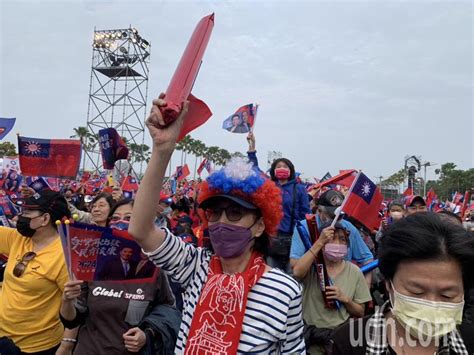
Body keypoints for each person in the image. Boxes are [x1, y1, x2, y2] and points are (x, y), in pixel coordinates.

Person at [128, 94, 306, 353]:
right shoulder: (195, 268)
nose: (222, 222)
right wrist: (161, 151)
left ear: (259, 226)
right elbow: (141, 229)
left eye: (235, 213)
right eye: (214, 213)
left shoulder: (284, 290)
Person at [331, 212, 473, 354]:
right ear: (388, 284)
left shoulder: (469, 341)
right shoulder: (348, 342)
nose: (432, 304)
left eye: (447, 295)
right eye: (416, 292)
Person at [60, 199, 180, 355]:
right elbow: (72, 319)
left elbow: (169, 310)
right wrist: (67, 301)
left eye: (129, 218)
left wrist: (147, 334)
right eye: (115, 218)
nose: (121, 222)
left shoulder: (155, 266)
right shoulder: (92, 262)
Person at [0, 189, 76, 354]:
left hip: (37, 347)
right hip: (4, 337)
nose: (21, 216)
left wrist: (66, 346)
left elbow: (73, 307)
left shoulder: (64, 256)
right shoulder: (18, 238)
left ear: (45, 219)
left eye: (27, 212)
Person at [293, 222, 372, 354]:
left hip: (337, 340)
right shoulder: (312, 267)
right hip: (310, 339)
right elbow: (297, 272)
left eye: (342, 239)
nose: (337, 243)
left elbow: (360, 312)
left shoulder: (354, 272)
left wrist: (345, 299)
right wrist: (318, 243)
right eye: (331, 238)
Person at [291, 190, 374, 279]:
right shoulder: (304, 227)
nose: (336, 219)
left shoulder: (349, 227)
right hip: (312, 282)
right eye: (332, 216)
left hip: (342, 283)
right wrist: (320, 242)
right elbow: (295, 266)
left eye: (340, 216)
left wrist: (365, 285)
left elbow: (367, 259)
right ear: (319, 211)